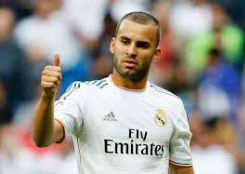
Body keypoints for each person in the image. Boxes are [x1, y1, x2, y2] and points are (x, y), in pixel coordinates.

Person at [32, 12, 194, 174]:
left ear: (156, 54)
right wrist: (47, 97)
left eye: (142, 45)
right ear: (112, 45)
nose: (131, 51)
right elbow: (43, 138)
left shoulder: (172, 106)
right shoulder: (84, 95)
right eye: (125, 41)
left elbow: (182, 170)